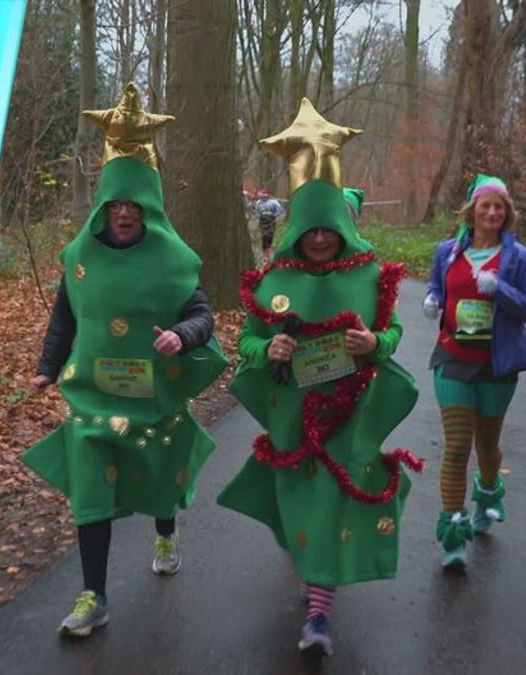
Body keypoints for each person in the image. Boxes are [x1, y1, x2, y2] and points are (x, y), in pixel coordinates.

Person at [217, 99, 422, 656]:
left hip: (350, 416)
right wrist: (270, 348)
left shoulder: (372, 275)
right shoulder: (275, 277)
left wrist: (373, 343)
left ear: (340, 225)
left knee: (331, 503)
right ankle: (310, 570)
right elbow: (248, 343)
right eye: (311, 230)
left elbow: (394, 334)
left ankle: (318, 618)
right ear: (298, 229)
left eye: (328, 229)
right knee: (301, 507)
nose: (320, 239)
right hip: (292, 418)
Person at [22, 84, 228, 637]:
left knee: (158, 478)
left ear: (148, 210)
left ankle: (166, 531)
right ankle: (94, 594)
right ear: (103, 208)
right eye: (115, 206)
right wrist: (48, 365)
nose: (123, 215)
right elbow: (66, 316)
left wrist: (181, 338)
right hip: (92, 396)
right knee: (91, 488)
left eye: (133, 206)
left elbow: (203, 316)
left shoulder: (173, 257)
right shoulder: (80, 258)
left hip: (152, 398)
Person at [421, 174, 526, 569]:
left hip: (496, 363)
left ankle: (489, 490)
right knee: (456, 448)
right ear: (472, 211)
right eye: (485, 205)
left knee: (487, 446)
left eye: (499, 207)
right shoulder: (448, 251)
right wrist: (432, 298)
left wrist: (499, 290)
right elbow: (437, 284)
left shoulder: (518, 257)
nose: (492, 212)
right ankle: (453, 536)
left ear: (506, 214)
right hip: (453, 358)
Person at [255, 188, 285, 262]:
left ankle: (269, 255)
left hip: (270, 221)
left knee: (269, 237)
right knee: (264, 238)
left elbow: (280, 210)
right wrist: (259, 217)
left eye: (263, 196)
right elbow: (256, 212)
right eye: (260, 196)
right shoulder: (258, 203)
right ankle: (265, 257)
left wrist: (273, 215)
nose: (262, 198)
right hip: (262, 221)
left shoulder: (273, 202)